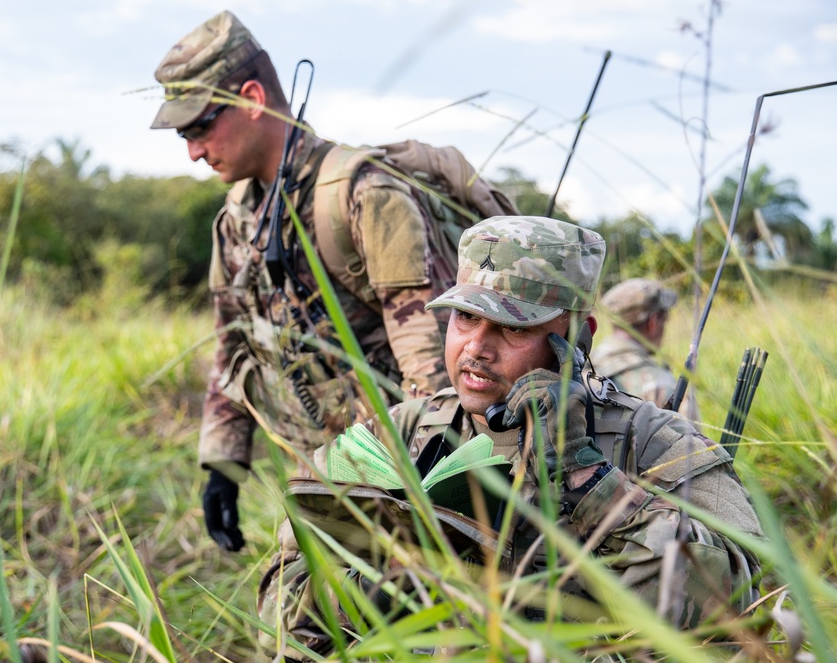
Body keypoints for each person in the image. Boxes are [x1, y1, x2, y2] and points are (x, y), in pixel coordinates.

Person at [256, 216, 763, 659]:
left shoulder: (655, 441)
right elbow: (279, 592)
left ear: (577, 337)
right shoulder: (398, 433)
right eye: (466, 317)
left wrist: (588, 479)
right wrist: (372, 593)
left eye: (513, 328)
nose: (476, 347)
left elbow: (744, 602)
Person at [150, 10, 516, 551]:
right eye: (184, 134)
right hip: (323, 469)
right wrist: (223, 463)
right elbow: (233, 345)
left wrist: (439, 483)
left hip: (395, 466)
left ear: (252, 99)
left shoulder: (362, 195)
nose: (194, 151)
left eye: (200, 126)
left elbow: (431, 354)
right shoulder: (235, 221)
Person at [591, 277, 698, 421]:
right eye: (665, 318)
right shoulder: (663, 385)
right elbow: (692, 443)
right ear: (653, 322)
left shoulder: (581, 367)